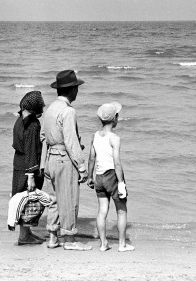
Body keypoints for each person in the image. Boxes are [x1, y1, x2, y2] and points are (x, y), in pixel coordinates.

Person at [42, 70, 92, 251]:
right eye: (76, 88)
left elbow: (43, 136)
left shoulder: (49, 110)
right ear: (71, 90)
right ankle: (69, 240)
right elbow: (71, 142)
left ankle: (53, 237)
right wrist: (82, 166)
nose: (77, 91)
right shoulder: (68, 111)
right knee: (69, 199)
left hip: (50, 158)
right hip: (64, 159)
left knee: (54, 199)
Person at [87, 102, 135, 252]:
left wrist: (90, 176)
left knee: (102, 210)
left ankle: (103, 244)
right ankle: (122, 244)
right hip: (112, 175)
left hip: (99, 176)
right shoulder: (114, 138)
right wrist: (121, 183)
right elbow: (117, 163)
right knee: (121, 210)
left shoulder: (95, 136)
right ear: (115, 119)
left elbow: (91, 158)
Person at [11, 90, 46, 245]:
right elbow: (31, 149)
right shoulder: (32, 125)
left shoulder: (19, 120)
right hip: (27, 166)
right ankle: (24, 237)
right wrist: (31, 174)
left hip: (18, 163)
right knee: (28, 200)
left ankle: (27, 233)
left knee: (21, 198)